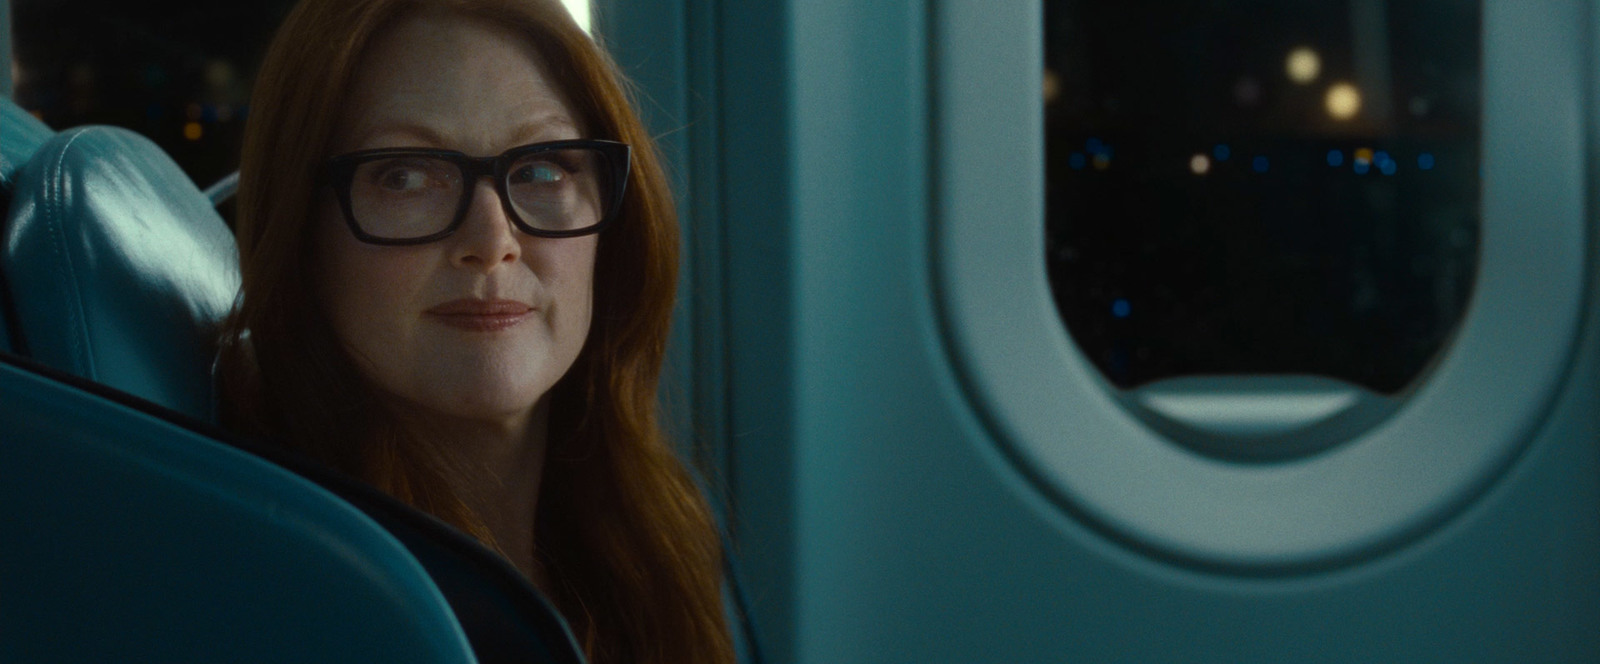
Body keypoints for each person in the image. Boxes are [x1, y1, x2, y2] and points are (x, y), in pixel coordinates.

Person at [216, 1, 735, 661]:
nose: (492, 242)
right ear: (301, 236)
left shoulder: (654, 533)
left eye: (543, 169)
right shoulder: (283, 586)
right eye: (404, 177)